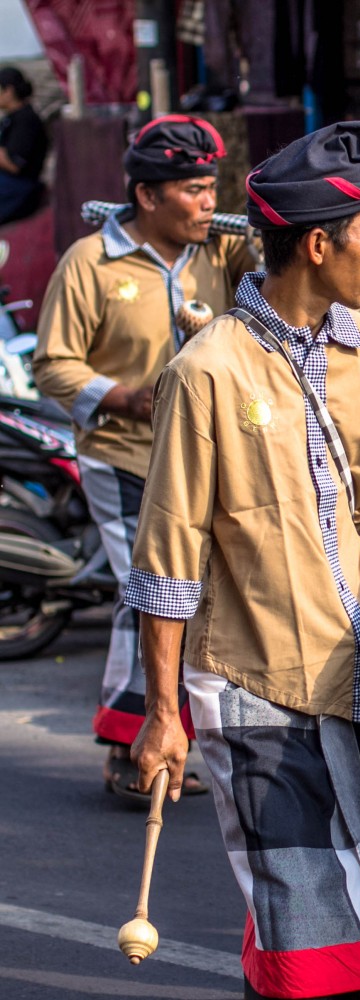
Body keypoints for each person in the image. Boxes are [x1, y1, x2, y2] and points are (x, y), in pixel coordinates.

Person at [127, 120, 360, 1000]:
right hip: (257, 691)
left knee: (342, 936)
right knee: (316, 949)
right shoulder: (209, 371)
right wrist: (162, 711)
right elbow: (168, 558)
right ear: (319, 245)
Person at [32, 115, 255, 800]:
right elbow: (53, 365)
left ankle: (187, 735)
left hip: (212, 456)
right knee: (150, 594)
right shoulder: (89, 262)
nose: (208, 202)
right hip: (123, 454)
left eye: (211, 187)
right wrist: (125, 398)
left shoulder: (223, 253)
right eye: (192, 189)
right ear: (147, 195)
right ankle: (128, 741)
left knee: (202, 598)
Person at [0, 66, 46, 224]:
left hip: (19, 188)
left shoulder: (26, 120)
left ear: (9, 91)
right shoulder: (10, 119)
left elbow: (14, 164)